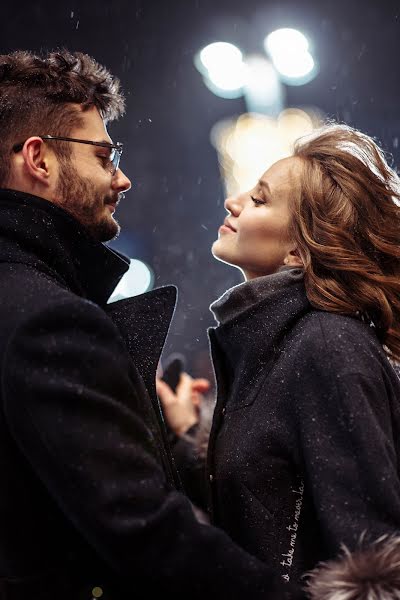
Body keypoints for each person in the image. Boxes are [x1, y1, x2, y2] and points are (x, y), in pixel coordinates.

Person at [0, 48, 309, 600]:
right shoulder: (46, 319)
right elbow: (145, 531)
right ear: (38, 159)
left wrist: (169, 432)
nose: (122, 179)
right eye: (104, 155)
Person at [157, 123, 400, 587]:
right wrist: (188, 431)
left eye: (260, 199)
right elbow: (264, 502)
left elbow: (373, 558)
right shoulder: (274, 341)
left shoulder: (327, 345)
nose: (234, 201)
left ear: (298, 250)